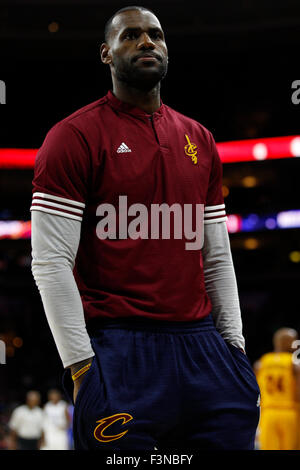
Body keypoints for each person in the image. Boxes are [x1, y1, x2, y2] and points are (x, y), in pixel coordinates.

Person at [31, 5, 260, 450]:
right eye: (131, 35)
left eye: (155, 34)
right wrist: (81, 367)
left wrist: (235, 351)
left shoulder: (200, 138)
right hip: (118, 347)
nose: (147, 42)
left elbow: (216, 257)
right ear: (106, 53)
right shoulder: (72, 137)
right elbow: (50, 262)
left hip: (204, 348)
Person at [254, 328, 300, 450]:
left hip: (267, 414)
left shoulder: (261, 363)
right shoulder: (295, 364)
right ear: (289, 342)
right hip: (290, 412)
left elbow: (255, 391)